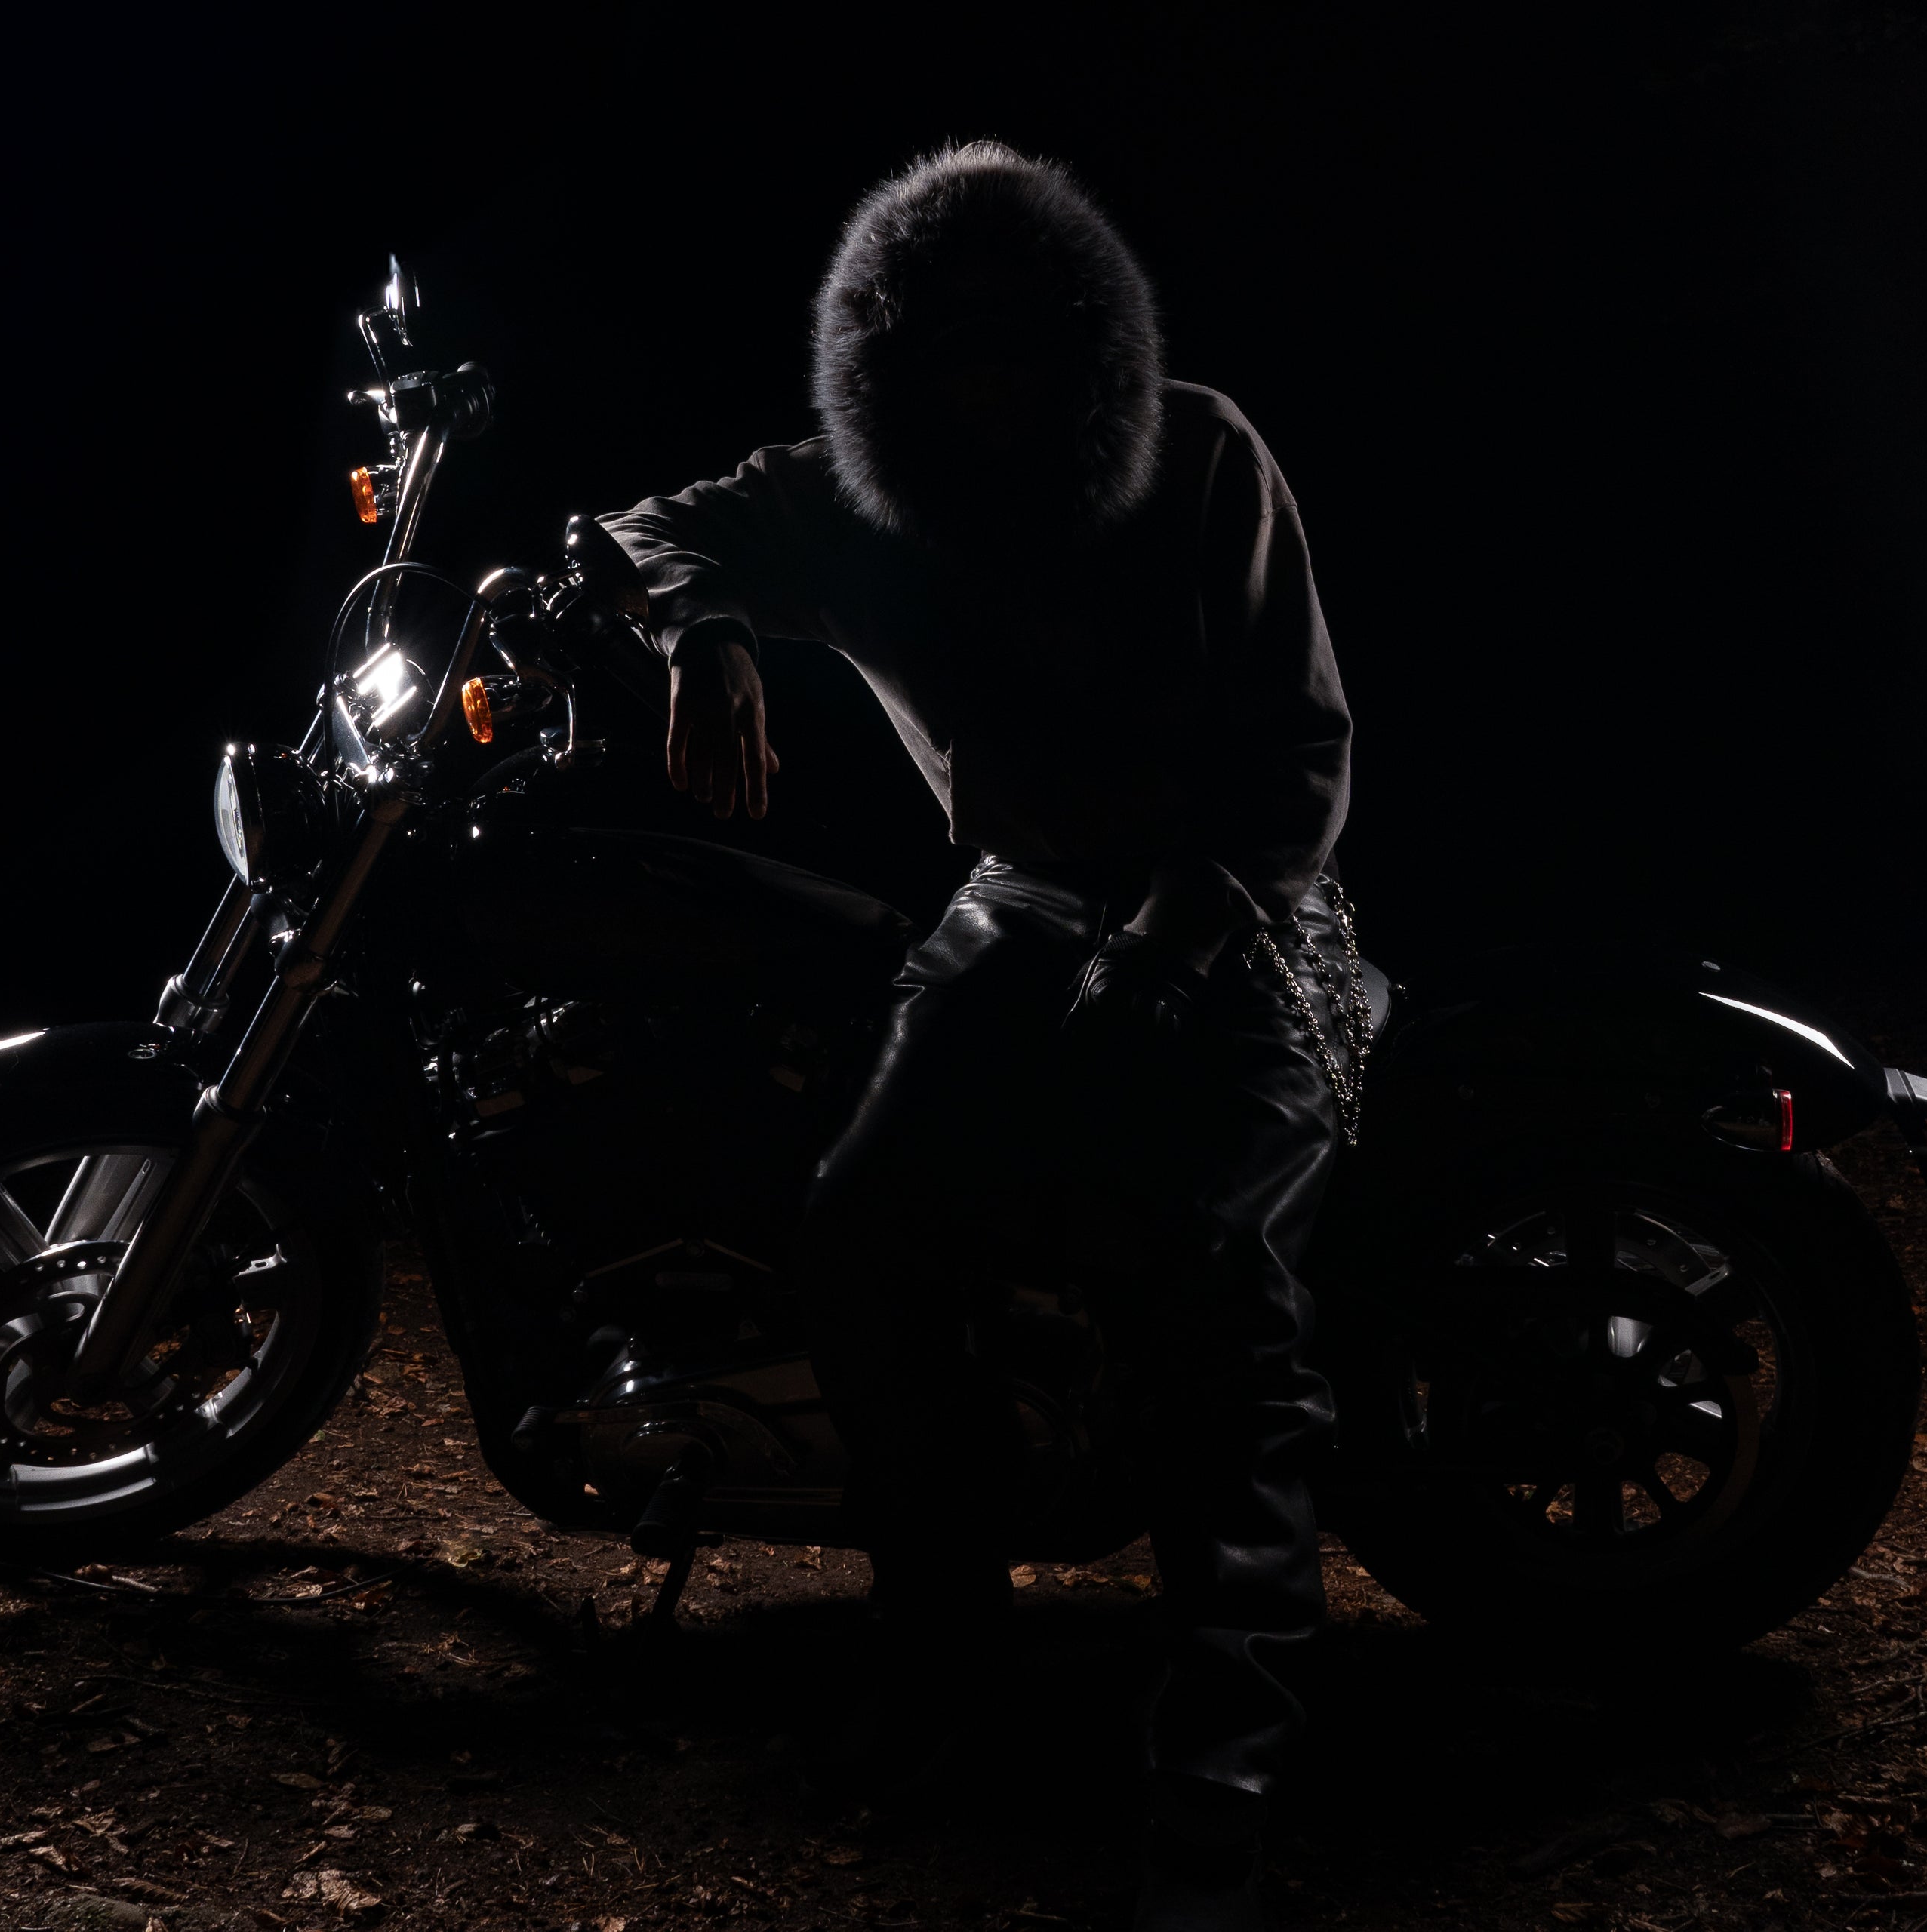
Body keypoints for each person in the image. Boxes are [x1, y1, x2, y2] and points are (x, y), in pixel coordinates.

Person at [602, 141, 1351, 1932]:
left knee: (1221, 1296)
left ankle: (1221, 1778)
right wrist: (700, 627)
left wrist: (1180, 945)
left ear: (1085, 338)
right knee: (861, 1236)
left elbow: (1296, 761)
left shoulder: (1204, 450)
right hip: (1020, 901)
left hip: (1239, 909)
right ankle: (946, 1670)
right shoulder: (854, 496)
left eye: (1017, 343)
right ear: (884, 362)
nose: (983, 384)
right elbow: (645, 531)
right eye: (941, 349)